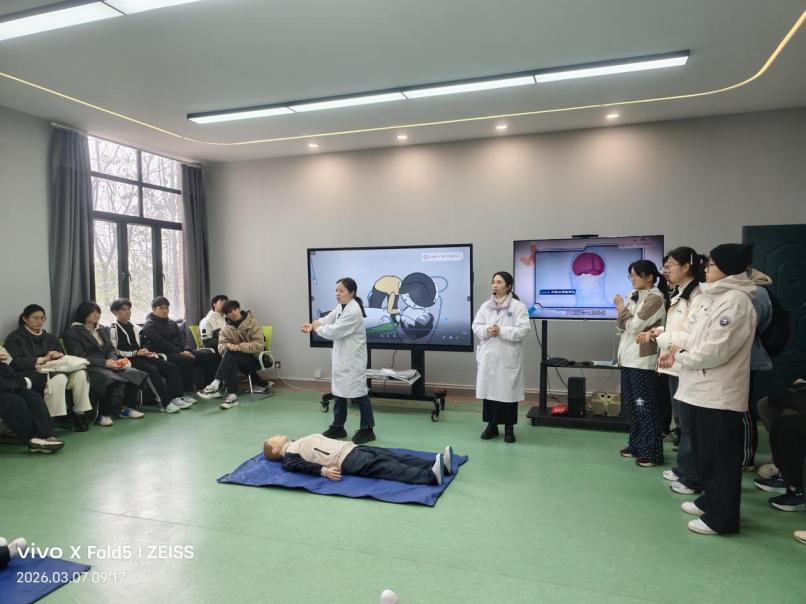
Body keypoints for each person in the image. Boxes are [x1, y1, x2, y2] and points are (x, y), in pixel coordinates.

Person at [658, 243, 757, 535]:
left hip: (718, 394)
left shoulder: (736, 302)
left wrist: (679, 355)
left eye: (711, 264)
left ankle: (722, 518)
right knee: (704, 454)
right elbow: (692, 335)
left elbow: (715, 351)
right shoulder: (711, 297)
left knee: (720, 459)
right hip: (698, 389)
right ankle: (710, 501)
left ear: (727, 267)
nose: (706, 268)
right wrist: (671, 343)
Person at [638, 248, 704, 492]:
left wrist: (661, 336)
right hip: (673, 361)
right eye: (665, 266)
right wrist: (661, 333)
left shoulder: (696, 294)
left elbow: (691, 334)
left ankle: (691, 474)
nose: (666, 270)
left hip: (686, 362)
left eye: (671, 265)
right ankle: (683, 468)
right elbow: (679, 328)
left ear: (686, 267)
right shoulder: (679, 292)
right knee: (681, 420)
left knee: (689, 423)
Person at [302, 277, 376, 444]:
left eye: (341, 291)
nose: (337, 293)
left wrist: (317, 328)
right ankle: (338, 427)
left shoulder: (353, 311)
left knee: (359, 394)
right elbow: (329, 318)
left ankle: (368, 429)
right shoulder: (343, 306)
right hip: (342, 359)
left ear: (352, 293)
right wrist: (315, 324)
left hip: (353, 360)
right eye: (336, 290)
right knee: (338, 392)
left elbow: (335, 331)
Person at [4, 304, 93, 431]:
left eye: (42, 318)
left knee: (80, 374)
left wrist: (57, 355)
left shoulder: (50, 337)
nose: (39, 321)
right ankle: (51, 418)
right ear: (25, 318)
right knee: (60, 378)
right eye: (35, 318)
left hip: (54, 369)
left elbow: (61, 356)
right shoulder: (14, 338)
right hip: (29, 372)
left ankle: (80, 413)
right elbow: (15, 363)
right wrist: (43, 359)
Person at [615, 260, 668, 467]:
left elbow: (634, 326)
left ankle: (652, 452)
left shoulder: (655, 298)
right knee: (632, 407)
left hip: (643, 360)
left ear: (649, 277)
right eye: (630, 275)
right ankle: (636, 445)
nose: (632, 279)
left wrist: (620, 307)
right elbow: (622, 325)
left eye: (636, 275)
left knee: (644, 407)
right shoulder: (633, 295)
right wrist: (625, 315)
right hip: (628, 358)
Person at [63, 301, 149, 427]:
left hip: (108, 363)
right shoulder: (73, 332)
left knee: (134, 373)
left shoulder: (102, 328)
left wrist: (114, 360)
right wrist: (105, 363)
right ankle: (103, 414)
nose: (97, 315)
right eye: (93, 312)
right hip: (89, 366)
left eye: (98, 312)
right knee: (109, 378)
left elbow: (110, 349)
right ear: (83, 314)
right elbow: (79, 356)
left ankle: (127, 408)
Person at [263, 433, 453, 486]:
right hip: (345, 460)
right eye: (274, 438)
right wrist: (323, 471)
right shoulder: (289, 456)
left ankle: (438, 465)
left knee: (393, 456)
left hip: (351, 448)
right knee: (387, 467)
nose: (278, 434)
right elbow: (300, 466)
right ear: (275, 449)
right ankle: (430, 476)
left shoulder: (297, 443)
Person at [472, 271, 530, 443]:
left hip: (507, 357)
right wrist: (487, 330)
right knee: (489, 393)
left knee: (507, 394)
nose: (495, 285)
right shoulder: (485, 306)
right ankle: (492, 426)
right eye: (493, 282)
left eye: (499, 282)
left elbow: (523, 330)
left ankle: (509, 428)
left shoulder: (518, 307)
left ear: (508, 286)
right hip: (489, 356)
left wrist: (502, 331)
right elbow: (476, 325)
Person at [109, 298, 190, 414]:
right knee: (152, 370)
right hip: (128, 359)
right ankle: (164, 403)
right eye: (124, 309)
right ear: (115, 312)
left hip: (142, 356)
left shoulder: (135, 327)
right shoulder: (113, 329)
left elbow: (144, 342)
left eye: (129, 309)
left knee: (171, 367)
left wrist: (145, 349)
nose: (128, 312)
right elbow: (115, 351)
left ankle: (176, 397)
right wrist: (136, 353)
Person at [140, 296, 218, 398]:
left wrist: (187, 349)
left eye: (167, 308)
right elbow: (161, 343)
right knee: (186, 360)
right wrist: (180, 352)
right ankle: (187, 391)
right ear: (154, 309)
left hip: (181, 351)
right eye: (161, 308)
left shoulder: (171, 322)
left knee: (209, 355)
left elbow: (182, 338)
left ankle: (209, 387)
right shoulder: (149, 325)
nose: (165, 311)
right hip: (164, 353)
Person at [197, 300, 267, 409]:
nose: (233, 313)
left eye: (235, 309)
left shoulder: (253, 323)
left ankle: (216, 384)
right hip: (236, 359)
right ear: (226, 315)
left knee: (231, 355)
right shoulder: (225, 328)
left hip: (254, 359)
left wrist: (238, 347)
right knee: (231, 356)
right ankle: (232, 396)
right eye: (229, 312)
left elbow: (259, 345)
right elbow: (220, 346)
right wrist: (228, 346)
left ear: (239, 309)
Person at [0, 347, 64, 453]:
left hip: (5, 381)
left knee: (34, 397)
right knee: (15, 402)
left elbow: (9, 361)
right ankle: (32, 440)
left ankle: (47, 435)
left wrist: (5, 356)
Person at [741, 266, 774, 470]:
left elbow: (758, 324)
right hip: (730, 359)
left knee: (743, 407)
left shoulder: (757, 292)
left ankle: (746, 457)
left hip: (749, 358)